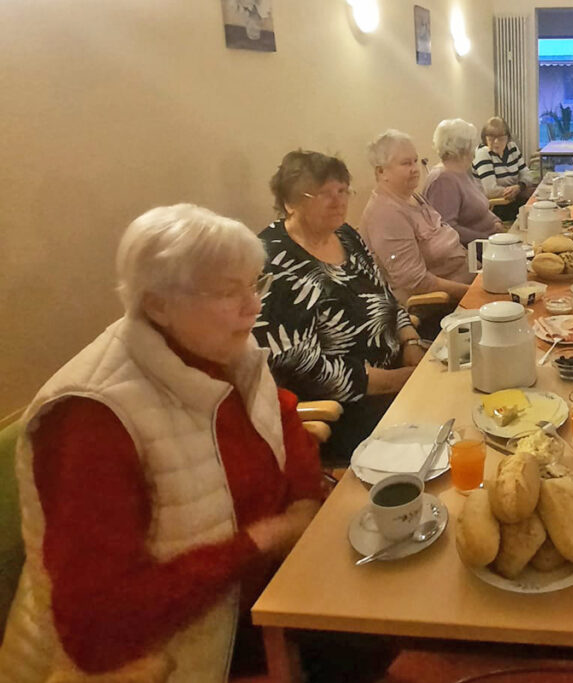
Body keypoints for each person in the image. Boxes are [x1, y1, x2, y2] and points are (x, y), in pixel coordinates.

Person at [0, 205, 325, 681]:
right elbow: (97, 623)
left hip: (273, 590)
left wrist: (303, 500)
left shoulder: (220, 346)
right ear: (157, 305)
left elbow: (277, 414)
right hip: (193, 649)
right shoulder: (91, 419)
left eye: (255, 285)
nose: (253, 306)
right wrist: (265, 539)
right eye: (228, 292)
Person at [253, 150, 426, 466]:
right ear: (290, 203)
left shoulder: (345, 235)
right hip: (349, 408)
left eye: (342, 191)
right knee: (443, 426)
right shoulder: (275, 262)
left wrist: (410, 341)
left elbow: (383, 293)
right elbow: (301, 368)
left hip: (398, 372)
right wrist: (400, 380)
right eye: (322, 194)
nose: (338, 201)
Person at [360, 129, 474, 304]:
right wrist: (472, 292)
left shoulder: (412, 196)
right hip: (440, 306)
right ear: (381, 171)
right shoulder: (386, 214)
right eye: (406, 164)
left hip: (469, 279)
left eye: (415, 161)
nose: (415, 169)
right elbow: (416, 282)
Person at [423, 118, 505, 246]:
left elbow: (480, 205)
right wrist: (486, 238)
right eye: (473, 146)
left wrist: (496, 221)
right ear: (463, 148)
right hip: (473, 252)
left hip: (491, 242)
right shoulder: (443, 180)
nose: (475, 150)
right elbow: (448, 229)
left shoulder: (462, 171)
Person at [472, 116, 533, 222]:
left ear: (507, 137)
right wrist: (515, 191)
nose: (496, 142)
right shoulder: (483, 153)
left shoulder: (512, 148)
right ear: (484, 138)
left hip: (513, 200)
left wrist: (519, 187)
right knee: (533, 214)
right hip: (494, 207)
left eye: (500, 138)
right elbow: (490, 190)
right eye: (491, 138)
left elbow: (527, 174)